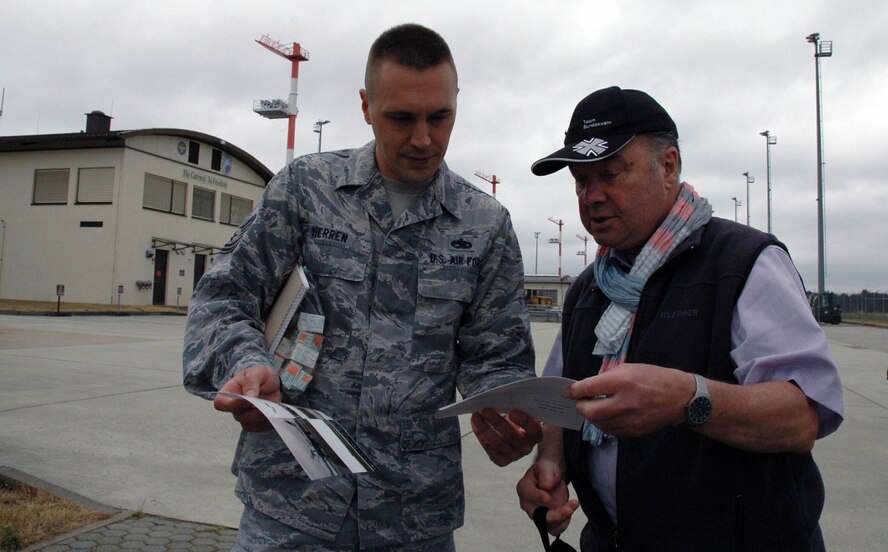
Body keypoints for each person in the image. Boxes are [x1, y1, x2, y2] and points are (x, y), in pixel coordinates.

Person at [183, 24, 540, 551]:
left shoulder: (483, 224)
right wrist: (244, 363)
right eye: (401, 118)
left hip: (413, 517)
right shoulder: (305, 191)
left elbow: (498, 354)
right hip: (293, 507)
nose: (423, 138)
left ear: (456, 103)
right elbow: (222, 300)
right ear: (366, 105)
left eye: (439, 117)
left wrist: (508, 413)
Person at [516, 86, 844, 551]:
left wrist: (689, 399)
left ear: (668, 166)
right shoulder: (588, 290)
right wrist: (548, 465)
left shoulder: (743, 263)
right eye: (580, 181)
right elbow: (562, 406)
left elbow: (801, 416)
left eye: (611, 173)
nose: (592, 196)